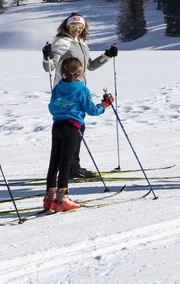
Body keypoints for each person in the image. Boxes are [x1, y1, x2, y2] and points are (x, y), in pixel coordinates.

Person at [41, 13, 117, 178]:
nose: (76, 30)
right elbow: (50, 67)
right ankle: (71, 167)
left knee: (78, 127)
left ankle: (71, 166)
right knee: (74, 128)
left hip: (79, 88)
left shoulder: (82, 44)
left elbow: (89, 66)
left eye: (80, 27)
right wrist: (46, 57)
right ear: (67, 26)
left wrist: (107, 55)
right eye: (73, 27)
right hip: (66, 90)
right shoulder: (62, 43)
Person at [44, 57, 113, 211]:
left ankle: (49, 198)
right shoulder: (81, 89)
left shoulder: (57, 88)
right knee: (66, 162)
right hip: (72, 127)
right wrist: (105, 104)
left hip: (57, 126)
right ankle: (63, 199)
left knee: (54, 161)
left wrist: (63, 109)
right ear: (79, 72)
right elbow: (91, 110)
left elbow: (52, 108)